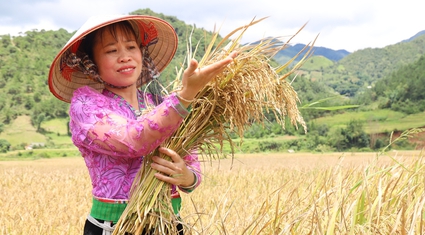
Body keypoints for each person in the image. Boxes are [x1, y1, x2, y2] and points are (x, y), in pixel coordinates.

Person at [48, 15, 237, 235]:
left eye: (131, 47)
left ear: (141, 53)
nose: (125, 57)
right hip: (115, 227)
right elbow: (134, 140)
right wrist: (186, 96)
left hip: (169, 225)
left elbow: (192, 164)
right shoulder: (85, 104)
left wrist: (187, 176)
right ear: (92, 64)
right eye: (111, 51)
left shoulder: (160, 103)